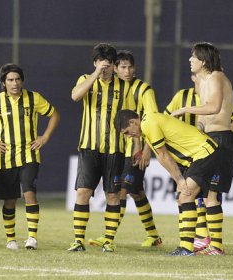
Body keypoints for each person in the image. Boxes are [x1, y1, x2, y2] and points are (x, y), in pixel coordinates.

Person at [0, 63, 60, 250]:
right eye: (10, 80)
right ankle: (10, 240)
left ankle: (32, 238)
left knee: (29, 192)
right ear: (3, 82)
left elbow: (54, 115)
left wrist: (44, 137)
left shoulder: (33, 98)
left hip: (29, 154)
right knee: (9, 199)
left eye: (17, 79)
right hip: (6, 156)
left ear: (22, 80)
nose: (14, 83)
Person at [115, 109, 219, 256]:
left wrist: (180, 179)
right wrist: (178, 179)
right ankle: (187, 245)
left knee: (185, 196)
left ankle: (188, 247)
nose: (128, 136)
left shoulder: (148, 123)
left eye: (127, 132)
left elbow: (164, 154)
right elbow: (161, 157)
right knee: (182, 197)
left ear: (133, 122)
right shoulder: (147, 127)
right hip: (200, 155)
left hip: (205, 152)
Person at [88, 50, 162, 248]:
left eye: (130, 67)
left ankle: (108, 236)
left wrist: (147, 149)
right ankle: (154, 236)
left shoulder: (144, 90)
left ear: (135, 68)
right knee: (136, 191)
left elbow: (152, 120)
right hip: (117, 149)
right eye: (122, 67)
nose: (127, 71)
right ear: (114, 68)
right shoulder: (112, 88)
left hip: (135, 151)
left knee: (121, 191)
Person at [165, 74, 233, 252]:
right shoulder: (183, 95)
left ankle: (207, 243)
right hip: (195, 148)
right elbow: (171, 116)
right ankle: (203, 240)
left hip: (215, 143)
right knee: (197, 195)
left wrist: (224, 132)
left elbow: (232, 116)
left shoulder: (215, 91)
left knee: (201, 195)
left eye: (194, 60)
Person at [67, 43, 135, 253]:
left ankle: (109, 240)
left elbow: (132, 118)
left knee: (113, 195)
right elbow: (76, 96)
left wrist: (138, 145)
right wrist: (95, 74)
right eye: (99, 64)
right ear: (95, 63)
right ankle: (78, 240)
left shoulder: (124, 87)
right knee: (83, 192)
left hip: (115, 150)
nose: (104, 68)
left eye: (107, 65)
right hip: (89, 147)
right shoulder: (85, 80)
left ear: (114, 65)